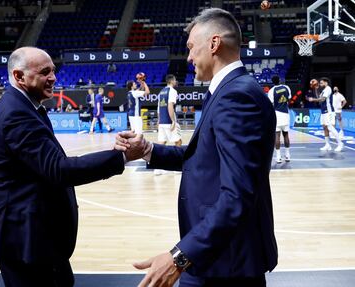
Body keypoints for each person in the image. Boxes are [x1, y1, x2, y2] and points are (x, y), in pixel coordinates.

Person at [117, 8, 277, 287]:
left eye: (191, 47)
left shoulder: (237, 96)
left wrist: (179, 257)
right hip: (215, 256)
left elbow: (236, 195)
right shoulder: (229, 90)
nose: (188, 57)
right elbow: (203, 159)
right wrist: (147, 150)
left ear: (214, 44)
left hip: (226, 263)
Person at [0, 46, 146, 287]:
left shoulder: (25, 107)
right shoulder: (15, 113)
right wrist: (121, 157)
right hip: (24, 239)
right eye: (44, 72)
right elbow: (59, 170)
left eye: (53, 71)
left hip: (34, 236)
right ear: (19, 76)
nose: (53, 78)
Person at [308, 78, 344, 152]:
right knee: (325, 127)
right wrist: (315, 88)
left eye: (321, 83)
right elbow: (319, 98)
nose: (320, 84)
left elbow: (322, 99)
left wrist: (313, 99)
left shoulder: (328, 89)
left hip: (329, 111)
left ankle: (340, 144)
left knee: (330, 128)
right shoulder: (323, 90)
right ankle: (328, 145)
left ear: (326, 83)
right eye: (320, 83)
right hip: (323, 111)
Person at [268, 75, 292, 163]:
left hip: (277, 114)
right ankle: (288, 155)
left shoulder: (271, 91)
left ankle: (278, 157)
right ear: (279, 80)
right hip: (286, 113)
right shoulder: (286, 87)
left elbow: (271, 103)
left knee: (277, 136)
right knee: (286, 135)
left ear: (272, 82)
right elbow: (289, 98)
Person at [157, 74, 182, 146]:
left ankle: (158, 157)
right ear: (171, 81)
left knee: (162, 142)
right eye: (174, 80)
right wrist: (173, 121)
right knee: (178, 141)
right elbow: (170, 105)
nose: (175, 81)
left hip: (162, 122)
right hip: (169, 121)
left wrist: (159, 120)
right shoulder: (172, 91)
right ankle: (177, 157)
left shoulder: (161, 92)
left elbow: (159, 107)